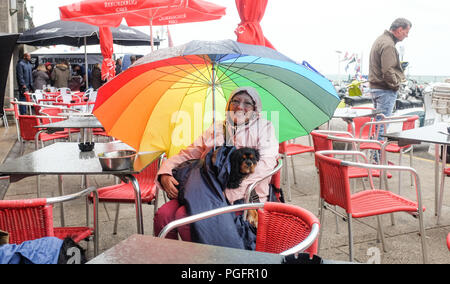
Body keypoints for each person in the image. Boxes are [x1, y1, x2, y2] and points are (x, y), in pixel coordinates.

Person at [153, 86, 279, 242]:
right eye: (235, 101)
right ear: (228, 105)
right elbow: (188, 153)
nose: (240, 107)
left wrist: (233, 191)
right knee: (163, 216)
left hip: (244, 195)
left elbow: (266, 163)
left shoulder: (264, 128)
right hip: (207, 189)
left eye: (247, 103)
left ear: (255, 109)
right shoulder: (218, 127)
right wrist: (165, 172)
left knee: (184, 218)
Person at [369, 18, 412, 138]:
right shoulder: (388, 44)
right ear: (399, 29)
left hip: (376, 88)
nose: (406, 36)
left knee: (378, 124)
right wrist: (396, 85)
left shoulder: (381, 40)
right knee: (382, 126)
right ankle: (378, 156)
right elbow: (388, 71)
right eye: (406, 32)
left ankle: (375, 155)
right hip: (385, 90)